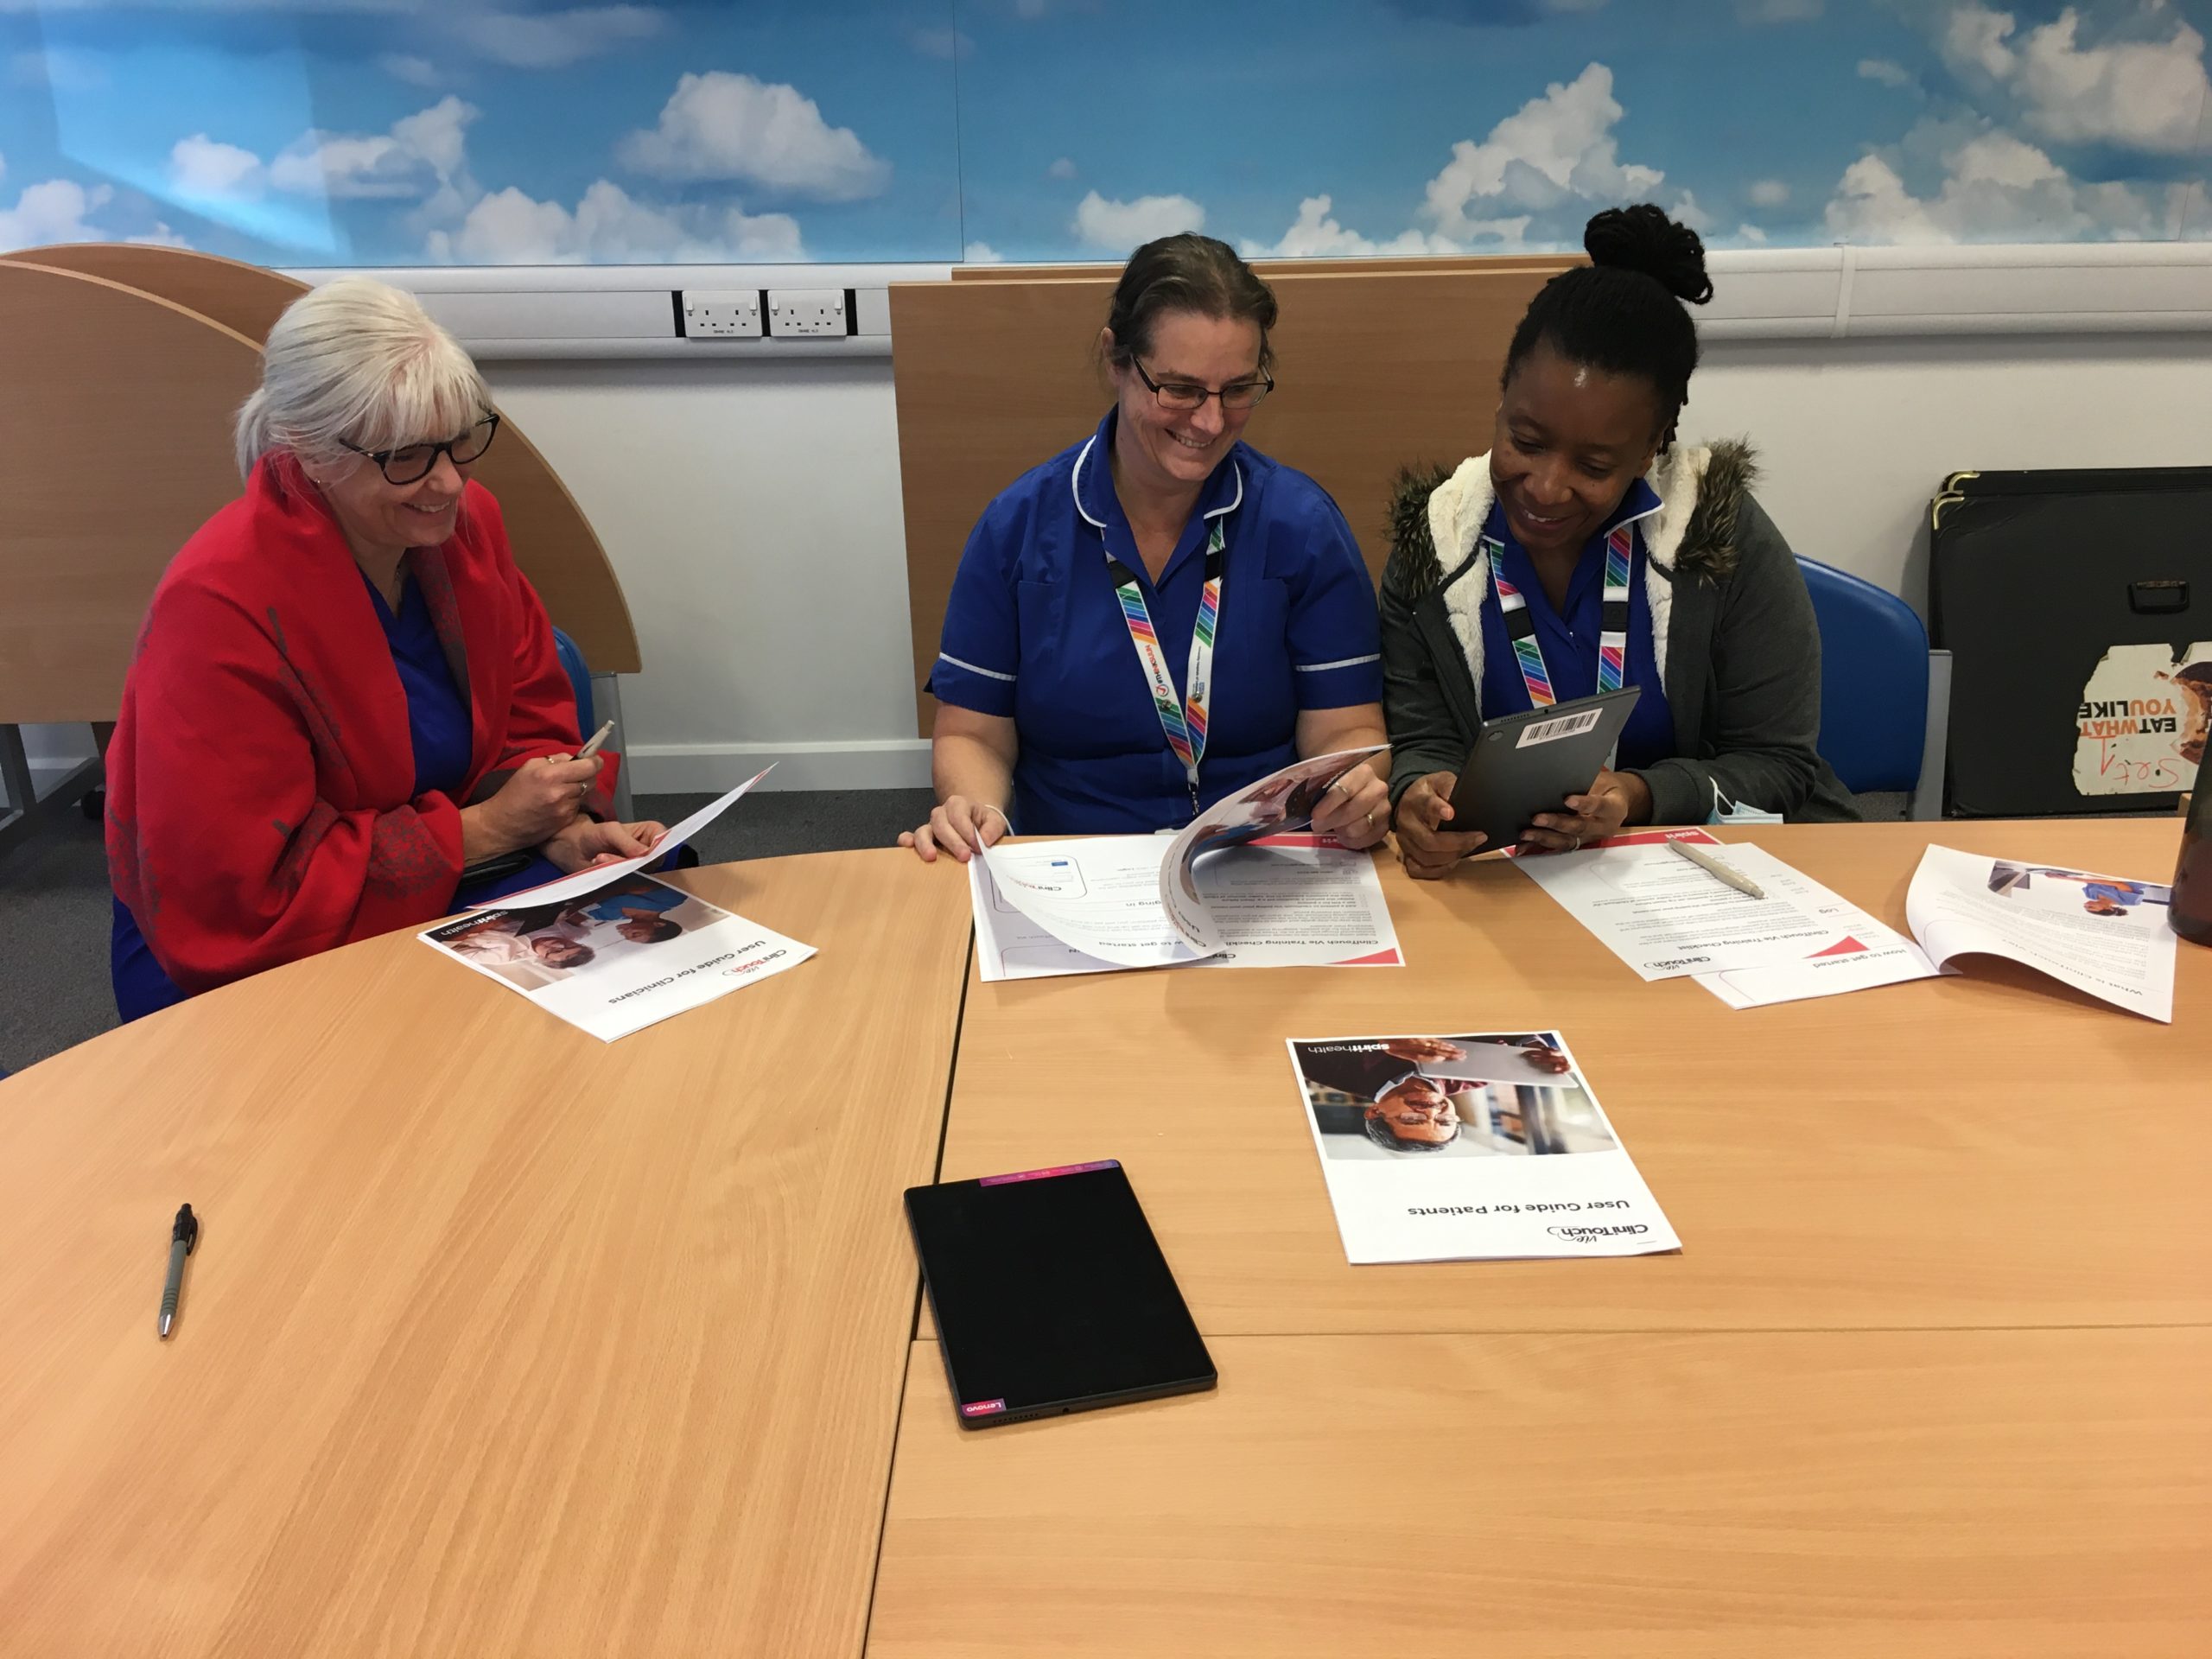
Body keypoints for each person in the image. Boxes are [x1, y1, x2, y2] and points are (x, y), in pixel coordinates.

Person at [105, 277, 664, 1020]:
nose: (446, 481)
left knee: (653, 916)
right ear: (307, 449)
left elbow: (531, 700)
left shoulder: (464, 526)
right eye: (403, 455)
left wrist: (562, 825)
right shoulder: (219, 603)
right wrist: (489, 831)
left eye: (460, 440)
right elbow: (243, 892)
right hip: (270, 944)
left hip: (461, 870)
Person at [1383, 205, 1857, 880]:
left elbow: (1779, 765)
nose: (1546, 487)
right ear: (1500, 401)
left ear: (1653, 448)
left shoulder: (1719, 540)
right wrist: (1420, 795)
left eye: (1595, 466)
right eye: (1525, 440)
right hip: (1515, 888)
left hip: (1697, 878)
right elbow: (1423, 738)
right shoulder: (1436, 545)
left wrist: (1641, 796)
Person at [904, 232, 1391, 862]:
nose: (1210, 422)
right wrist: (978, 810)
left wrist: (1357, 789)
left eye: (1238, 388)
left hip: (1260, 864)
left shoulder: (1303, 527)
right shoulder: (1017, 529)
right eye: (1180, 389)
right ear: (1116, 360)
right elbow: (974, 734)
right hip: (1077, 862)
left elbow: (1348, 729)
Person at [1296, 1035, 1568, 1154]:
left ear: (1375, 1112)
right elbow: (1515, 1032)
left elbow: (1297, 1041)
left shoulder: (1328, 1071)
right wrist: (1533, 1049)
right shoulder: (1479, 1077)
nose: (1431, 1112)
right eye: (1445, 1121)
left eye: (1412, 1120)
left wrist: (1381, 1041)